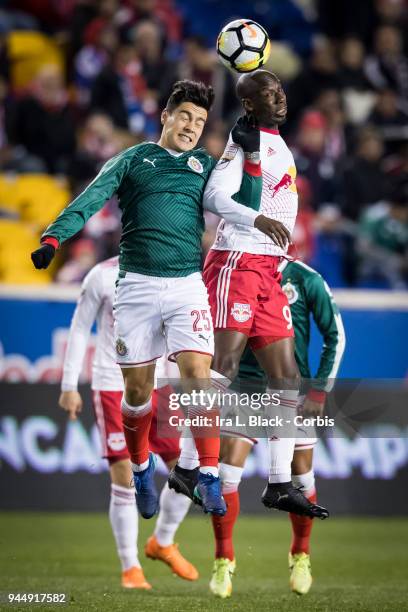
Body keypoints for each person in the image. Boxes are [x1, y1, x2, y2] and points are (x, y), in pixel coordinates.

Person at [31, 79, 280, 519]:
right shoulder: (131, 160)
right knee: (138, 390)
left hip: (186, 285)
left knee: (197, 378)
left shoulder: (205, 165)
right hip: (137, 288)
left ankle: (206, 475)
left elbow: (241, 205)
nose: (191, 126)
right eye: (184, 115)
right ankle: (142, 466)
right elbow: (88, 201)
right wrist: (53, 238)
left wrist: (254, 159)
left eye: (200, 121)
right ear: (165, 116)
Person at [59, 256, 198, 589]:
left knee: (187, 468)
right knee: (123, 471)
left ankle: (162, 541)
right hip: (112, 383)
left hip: (162, 385)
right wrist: (68, 386)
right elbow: (79, 328)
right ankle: (130, 566)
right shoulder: (102, 276)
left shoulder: (175, 268)